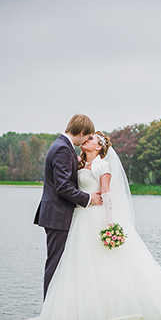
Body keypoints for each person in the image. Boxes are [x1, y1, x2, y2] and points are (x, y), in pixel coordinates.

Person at [39, 131, 161, 320]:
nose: (86, 140)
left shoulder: (103, 166)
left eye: (90, 139)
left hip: (97, 219)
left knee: (106, 267)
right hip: (80, 220)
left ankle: (111, 314)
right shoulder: (80, 163)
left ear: (99, 147)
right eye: (86, 138)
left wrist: (110, 225)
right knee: (82, 268)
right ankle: (79, 313)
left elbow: (107, 194)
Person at [34, 114, 103, 299]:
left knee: (60, 261)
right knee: (56, 262)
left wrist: (76, 163)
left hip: (56, 214)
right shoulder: (63, 149)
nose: (86, 140)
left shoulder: (62, 146)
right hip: (57, 215)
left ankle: (56, 306)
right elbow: (62, 186)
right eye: (87, 136)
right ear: (80, 131)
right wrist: (88, 198)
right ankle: (49, 307)